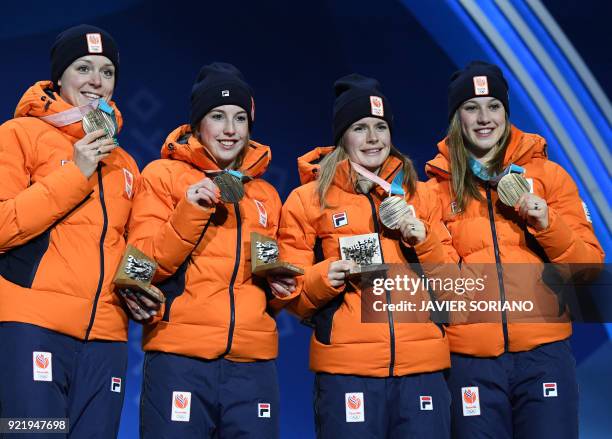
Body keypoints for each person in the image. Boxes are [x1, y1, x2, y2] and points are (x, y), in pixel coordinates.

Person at [425, 60, 605, 438]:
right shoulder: (436, 190)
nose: (484, 117)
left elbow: (589, 268)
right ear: (457, 118)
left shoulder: (550, 177)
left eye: (493, 105)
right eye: (471, 107)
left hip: (543, 355)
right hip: (470, 361)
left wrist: (547, 223)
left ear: (507, 112)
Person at [277, 74, 455, 438]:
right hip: (347, 371)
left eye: (381, 127)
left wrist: (424, 241)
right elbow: (289, 289)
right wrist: (327, 276)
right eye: (360, 127)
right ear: (342, 136)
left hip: (422, 369)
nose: (373, 138)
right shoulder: (309, 200)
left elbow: (455, 287)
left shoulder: (422, 196)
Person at [127, 62, 294, 438]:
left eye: (239, 118)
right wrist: (189, 211)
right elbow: (142, 266)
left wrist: (282, 289)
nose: (230, 130)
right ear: (198, 124)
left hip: (253, 365)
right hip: (180, 358)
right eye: (217, 116)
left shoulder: (265, 194)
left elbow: (267, 274)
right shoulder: (161, 176)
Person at [0, 25, 139, 437]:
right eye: (84, 67)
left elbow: (130, 248)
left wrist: (142, 291)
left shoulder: (125, 163)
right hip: (32, 327)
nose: (97, 80)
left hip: (106, 340)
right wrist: (75, 172)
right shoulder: (18, 135)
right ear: (59, 76)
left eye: (107, 71)